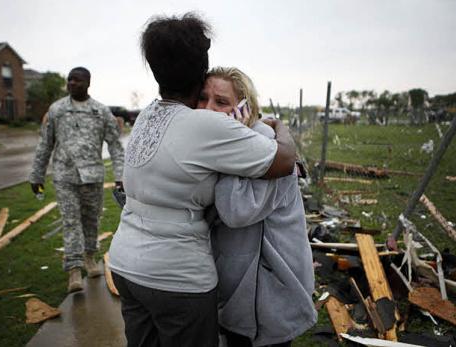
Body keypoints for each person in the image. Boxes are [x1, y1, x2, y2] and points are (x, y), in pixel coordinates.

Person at [107, 13, 297, 347]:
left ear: (153, 69)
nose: (210, 107)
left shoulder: (148, 114)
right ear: (202, 66)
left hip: (124, 265)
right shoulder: (207, 126)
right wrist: (281, 129)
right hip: (175, 279)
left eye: (221, 102)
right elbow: (283, 160)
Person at [198, 67, 316, 347]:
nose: (208, 109)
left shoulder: (265, 145)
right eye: (203, 99)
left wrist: (230, 147)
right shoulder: (216, 143)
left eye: (221, 102)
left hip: (269, 289)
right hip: (238, 286)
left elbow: (236, 210)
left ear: (244, 108)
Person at [29, 67, 124, 293]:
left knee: (91, 220)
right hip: (64, 176)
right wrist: (36, 175)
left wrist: (120, 176)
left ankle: (90, 258)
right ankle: (73, 270)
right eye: (69, 80)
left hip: (92, 176)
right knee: (70, 221)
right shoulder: (57, 110)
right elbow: (45, 144)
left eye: (77, 80)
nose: (72, 83)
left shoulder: (100, 112)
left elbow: (115, 146)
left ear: (88, 83)